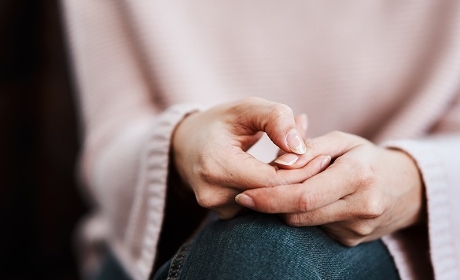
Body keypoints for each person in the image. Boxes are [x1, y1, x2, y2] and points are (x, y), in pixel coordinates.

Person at [62, 1, 460, 279]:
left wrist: (412, 183)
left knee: (263, 247)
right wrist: (183, 142)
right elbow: (113, 133)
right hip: (154, 247)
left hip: (414, 244)